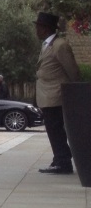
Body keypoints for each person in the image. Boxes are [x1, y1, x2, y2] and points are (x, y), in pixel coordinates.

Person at [34, 11, 80, 176]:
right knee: (54, 130)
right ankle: (59, 159)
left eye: (38, 27)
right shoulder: (47, 44)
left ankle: (63, 162)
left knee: (56, 130)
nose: (36, 30)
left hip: (56, 96)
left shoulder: (60, 45)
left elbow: (73, 71)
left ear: (45, 28)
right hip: (48, 96)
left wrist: (75, 92)